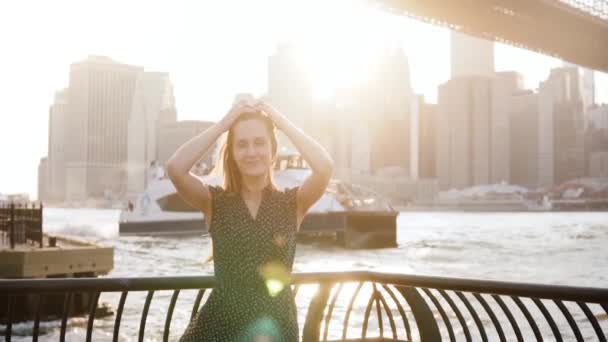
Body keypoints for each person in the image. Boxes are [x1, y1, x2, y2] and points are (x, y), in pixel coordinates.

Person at [167, 97, 334, 341]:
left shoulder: (292, 204)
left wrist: (279, 121)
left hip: (277, 328)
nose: (252, 152)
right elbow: (175, 168)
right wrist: (224, 124)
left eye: (259, 143)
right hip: (220, 329)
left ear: (272, 150)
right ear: (232, 153)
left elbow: (325, 166)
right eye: (242, 145)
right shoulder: (215, 202)